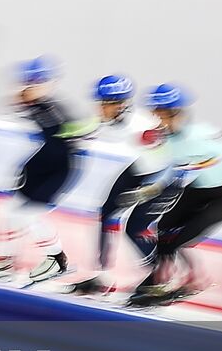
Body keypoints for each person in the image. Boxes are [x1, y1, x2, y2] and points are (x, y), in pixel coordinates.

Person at [127, 84, 222, 308]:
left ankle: (195, 280)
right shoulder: (168, 138)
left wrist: (192, 168)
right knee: (163, 230)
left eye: (162, 115)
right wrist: (152, 187)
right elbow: (170, 165)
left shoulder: (199, 134)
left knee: (180, 239)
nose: (158, 121)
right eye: (155, 115)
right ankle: (160, 279)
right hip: (199, 190)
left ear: (177, 114)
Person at [0, 57, 94, 284]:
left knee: (26, 216)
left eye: (36, 83)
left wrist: (77, 135)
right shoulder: (31, 103)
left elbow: (84, 131)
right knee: (9, 210)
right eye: (27, 83)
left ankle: (58, 260)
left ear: (49, 84)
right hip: (41, 162)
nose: (30, 88)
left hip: (60, 168)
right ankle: (4, 261)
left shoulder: (56, 109)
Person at [66, 75, 179, 297]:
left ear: (119, 105)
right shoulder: (113, 118)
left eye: (104, 104)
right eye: (99, 103)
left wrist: (152, 188)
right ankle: (102, 277)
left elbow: (170, 160)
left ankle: (159, 278)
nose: (99, 109)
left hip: (161, 178)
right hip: (141, 169)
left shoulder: (141, 127)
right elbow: (88, 128)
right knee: (107, 213)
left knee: (135, 227)